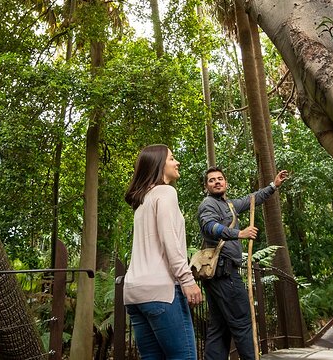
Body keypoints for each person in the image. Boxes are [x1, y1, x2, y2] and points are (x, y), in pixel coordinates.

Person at [197, 166, 288, 360]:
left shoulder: (229, 205)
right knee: (242, 321)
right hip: (224, 274)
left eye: (220, 178)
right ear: (206, 186)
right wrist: (239, 234)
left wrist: (273, 185)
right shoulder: (208, 204)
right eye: (212, 180)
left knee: (219, 327)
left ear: (226, 183)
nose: (217, 182)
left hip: (221, 276)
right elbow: (209, 227)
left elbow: (252, 199)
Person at [123, 144, 203, 359]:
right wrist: (187, 280)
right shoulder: (165, 192)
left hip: (134, 294)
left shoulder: (143, 200)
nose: (177, 162)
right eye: (172, 158)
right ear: (159, 165)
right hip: (161, 291)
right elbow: (170, 241)